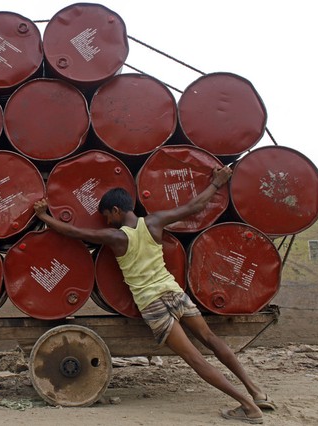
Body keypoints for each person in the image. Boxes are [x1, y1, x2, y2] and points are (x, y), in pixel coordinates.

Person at [34, 166, 276, 424]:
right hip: (174, 293)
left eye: (106, 215)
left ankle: (248, 406)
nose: (106, 221)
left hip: (153, 304)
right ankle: (256, 391)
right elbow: (194, 206)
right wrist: (217, 183)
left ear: (116, 211)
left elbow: (75, 233)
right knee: (211, 339)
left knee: (193, 358)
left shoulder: (115, 237)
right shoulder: (154, 222)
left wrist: (44, 217)